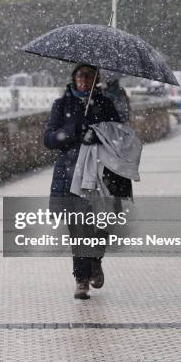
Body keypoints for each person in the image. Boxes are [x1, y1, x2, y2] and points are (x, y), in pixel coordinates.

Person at [44, 63, 123, 300]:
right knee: (78, 228)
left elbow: (119, 135)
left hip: (100, 175)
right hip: (70, 175)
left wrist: (98, 133)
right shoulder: (62, 105)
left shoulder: (105, 104)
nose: (83, 80)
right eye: (80, 75)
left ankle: (95, 260)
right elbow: (49, 139)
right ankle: (81, 279)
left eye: (88, 76)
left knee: (101, 224)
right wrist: (72, 130)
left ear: (96, 79)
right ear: (73, 77)